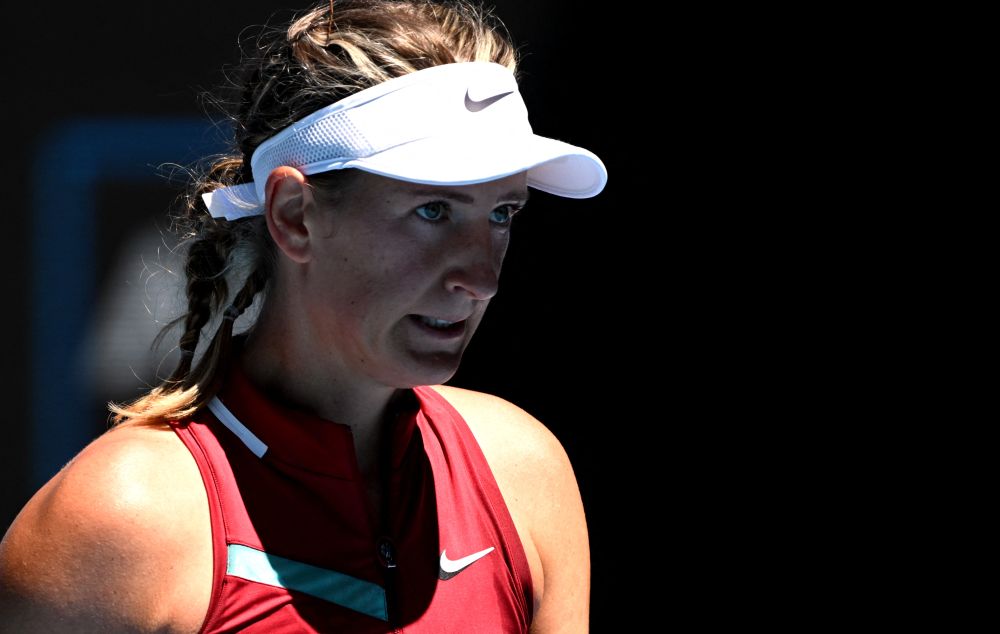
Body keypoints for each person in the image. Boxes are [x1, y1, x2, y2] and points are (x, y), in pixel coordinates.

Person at [0, 0, 606, 631]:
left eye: (502, 214)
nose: (480, 277)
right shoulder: (123, 519)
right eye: (434, 211)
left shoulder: (524, 473)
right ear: (295, 215)